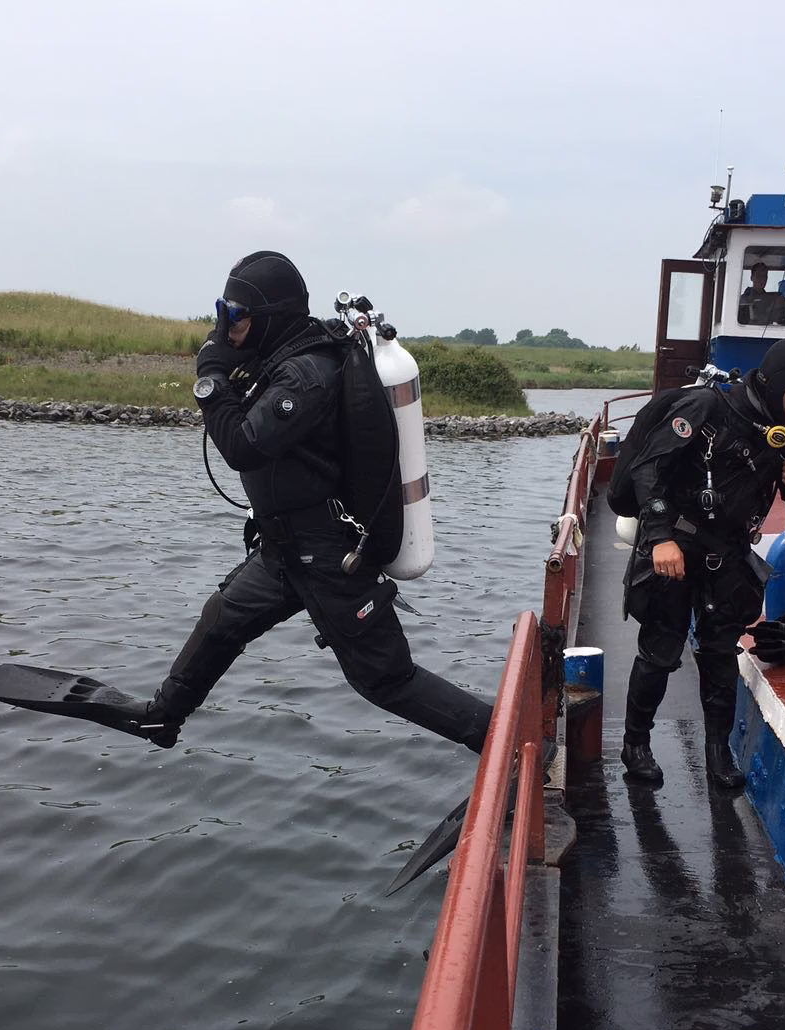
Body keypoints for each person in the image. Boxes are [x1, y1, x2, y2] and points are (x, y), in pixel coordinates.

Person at [79, 250, 493, 752]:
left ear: (269, 319)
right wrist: (226, 355)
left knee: (385, 679)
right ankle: (162, 717)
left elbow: (242, 446)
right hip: (284, 548)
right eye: (221, 312)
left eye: (235, 316)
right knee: (222, 621)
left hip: (326, 553)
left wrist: (209, 382)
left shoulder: (307, 375)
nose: (225, 327)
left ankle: (507, 739)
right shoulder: (278, 360)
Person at [608, 337, 785, 789]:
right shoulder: (707, 409)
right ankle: (636, 745)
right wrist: (660, 538)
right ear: (777, 382)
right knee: (660, 651)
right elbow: (647, 469)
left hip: (730, 557)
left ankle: (717, 754)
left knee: (720, 654)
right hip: (676, 549)